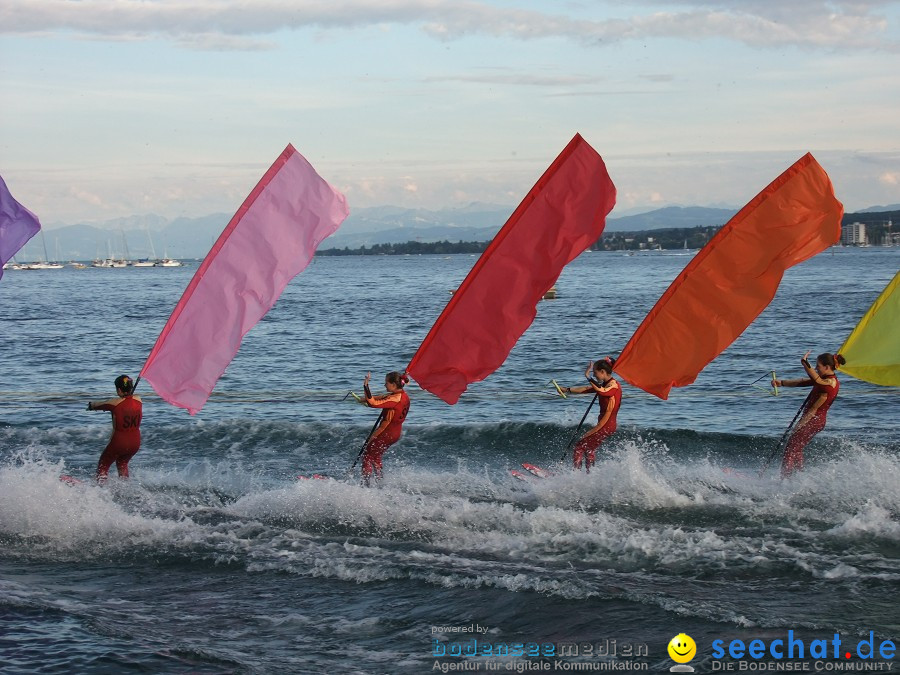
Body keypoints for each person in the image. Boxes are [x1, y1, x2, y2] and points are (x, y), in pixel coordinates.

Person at [772, 351, 844, 478]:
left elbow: (813, 410)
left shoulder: (829, 384)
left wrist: (799, 425)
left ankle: (784, 479)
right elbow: (802, 382)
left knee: (790, 448)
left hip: (813, 420)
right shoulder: (823, 380)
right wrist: (781, 383)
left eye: (818, 366)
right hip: (814, 420)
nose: (816, 368)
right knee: (796, 448)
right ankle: (798, 476)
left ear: (827, 367)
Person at [562, 358, 621, 472]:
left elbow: (603, 392)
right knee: (589, 449)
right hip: (606, 424)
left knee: (579, 447)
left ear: (603, 372)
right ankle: (590, 475)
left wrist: (588, 377)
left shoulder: (614, 385)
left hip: (606, 424)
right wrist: (567, 390)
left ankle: (576, 476)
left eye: (595, 373)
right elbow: (586, 389)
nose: (595, 375)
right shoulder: (606, 384)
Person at [87, 374, 142, 481]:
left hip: (119, 442)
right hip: (135, 443)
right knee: (122, 463)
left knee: (104, 464)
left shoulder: (114, 403)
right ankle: (125, 488)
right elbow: (130, 401)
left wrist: (90, 406)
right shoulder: (139, 400)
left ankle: (101, 489)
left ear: (119, 390)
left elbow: (95, 405)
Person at [360, 371, 411, 486]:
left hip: (385, 433)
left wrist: (366, 386)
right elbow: (383, 398)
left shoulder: (394, 399)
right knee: (376, 456)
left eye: (386, 383)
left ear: (393, 384)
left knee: (367, 456)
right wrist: (363, 399)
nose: (384, 385)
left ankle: (365, 485)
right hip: (395, 433)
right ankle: (380, 482)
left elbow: (373, 403)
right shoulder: (403, 396)